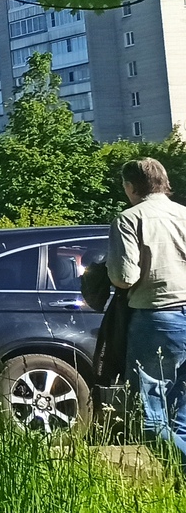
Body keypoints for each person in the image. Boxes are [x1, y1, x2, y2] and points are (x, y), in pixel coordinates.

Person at [109, 157, 186, 462]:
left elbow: (125, 278)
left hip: (157, 318)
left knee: (150, 414)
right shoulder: (183, 214)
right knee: (182, 413)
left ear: (130, 187)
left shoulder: (128, 219)